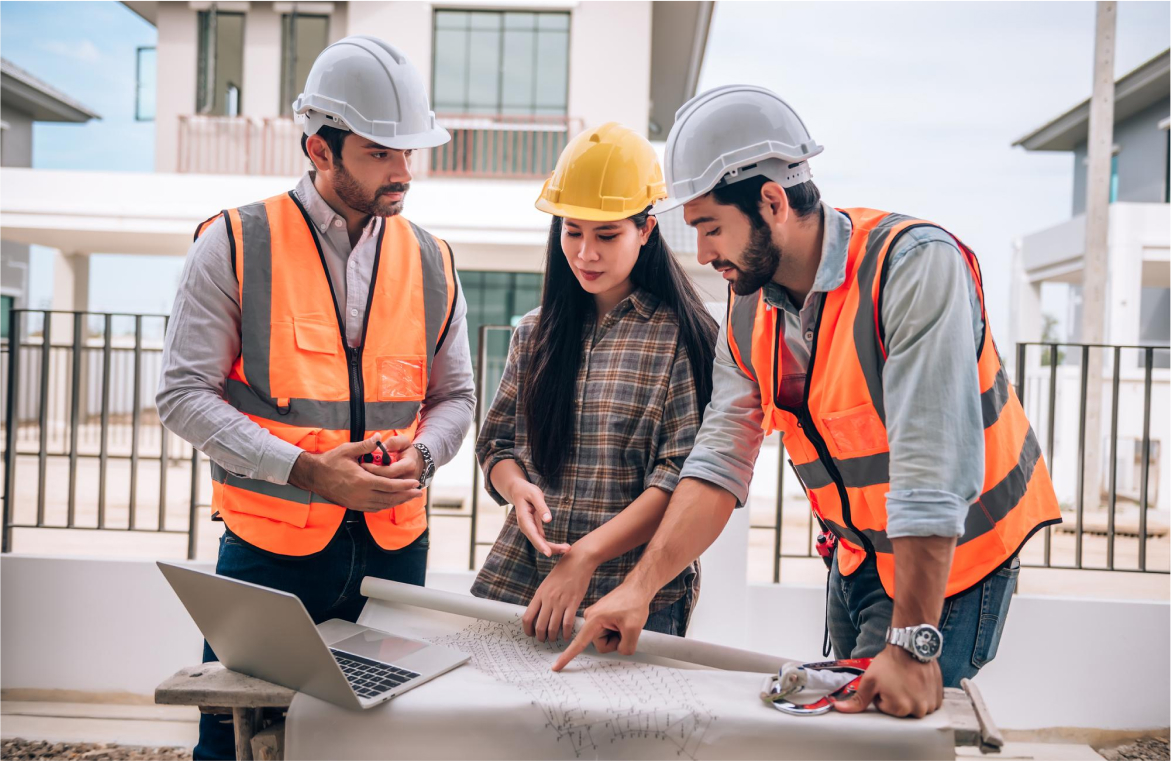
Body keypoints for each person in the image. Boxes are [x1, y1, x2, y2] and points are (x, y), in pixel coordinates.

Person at [553, 86, 1061, 720]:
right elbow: (716, 464)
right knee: (840, 727)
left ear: (772, 201)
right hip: (856, 561)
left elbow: (930, 469)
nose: (704, 255)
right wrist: (638, 588)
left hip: (952, 561)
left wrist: (910, 644)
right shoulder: (748, 308)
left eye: (712, 228)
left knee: (886, 728)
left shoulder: (912, 267)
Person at [156, 36, 475, 759]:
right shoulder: (235, 242)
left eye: (408, 152)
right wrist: (308, 471)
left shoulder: (432, 258)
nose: (402, 172)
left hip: (397, 552)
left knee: (374, 744)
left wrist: (423, 456)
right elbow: (181, 393)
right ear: (319, 149)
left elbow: (456, 397)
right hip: (269, 554)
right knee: (234, 740)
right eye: (378, 152)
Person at [471, 123, 718, 643]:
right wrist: (518, 491)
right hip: (525, 582)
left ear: (647, 230)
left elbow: (678, 479)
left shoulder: (682, 339)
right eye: (572, 231)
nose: (585, 254)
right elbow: (496, 445)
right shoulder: (534, 333)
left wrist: (586, 555)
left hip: (632, 596)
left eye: (607, 235)